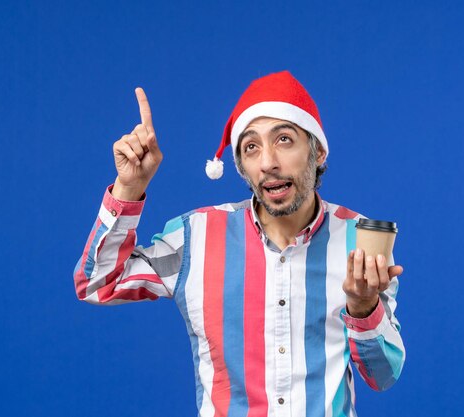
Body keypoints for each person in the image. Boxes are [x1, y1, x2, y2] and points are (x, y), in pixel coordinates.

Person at [74, 71, 405, 417]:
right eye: (251, 147)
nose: (267, 163)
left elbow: (382, 376)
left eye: (284, 140)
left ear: (318, 151)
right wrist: (128, 188)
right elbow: (98, 283)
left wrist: (364, 307)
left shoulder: (361, 239)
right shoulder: (195, 236)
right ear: (241, 166)